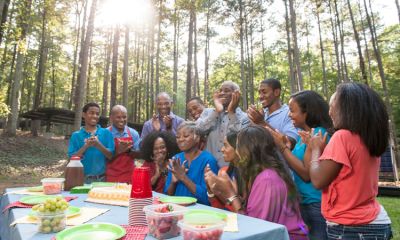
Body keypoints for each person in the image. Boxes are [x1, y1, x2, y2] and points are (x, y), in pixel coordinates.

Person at [307, 83, 392, 239]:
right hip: (377, 222)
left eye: (333, 106)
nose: (329, 111)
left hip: (351, 227)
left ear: (348, 109)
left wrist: (315, 149)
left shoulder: (342, 136)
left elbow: (318, 180)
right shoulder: (368, 138)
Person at [209, 125, 308, 239]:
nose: (237, 152)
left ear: (247, 150)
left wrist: (231, 195)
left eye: (238, 147)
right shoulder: (258, 174)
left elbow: (255, 230)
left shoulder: (267, 179)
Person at [270, 91, 332, 240]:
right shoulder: (303, 135)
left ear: (307, 112)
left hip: (315, 203)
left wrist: (283, 148)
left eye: (292, 110)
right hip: (304, 202)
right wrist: (286, 146)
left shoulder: (319, 134)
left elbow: (305, 174)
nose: (289, 115)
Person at [164, 121, 219, 205]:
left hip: (199, 213)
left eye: (185, 136)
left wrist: (183, 177)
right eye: (177, 137)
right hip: (176, 210)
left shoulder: (208, 161)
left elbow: (208, 199)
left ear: (197, 138)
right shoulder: (175, 159)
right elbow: (167, 195)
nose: (180, 139)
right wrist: (173, 182)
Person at [196, 81, 249, 167]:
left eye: (226, 90)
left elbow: (241, 138)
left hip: (232, 168)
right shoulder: (207, 112)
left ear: (236, 94)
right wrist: (216, 111)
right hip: (208, 166)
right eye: (220, 90)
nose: (222, 93)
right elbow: (198, 130)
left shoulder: (245, 117)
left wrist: (232, 113)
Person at [68, 102, 114, 183]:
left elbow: (110, 156)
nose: (95, 116)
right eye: (91, 113)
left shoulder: (106, 133)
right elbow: (71, 159)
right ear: (84, 114)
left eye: (97, 114)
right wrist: (86, 146)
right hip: (81, 179)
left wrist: (98, 144)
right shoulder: (76, 135)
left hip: (102, 179)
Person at [247, 78, 298, 148]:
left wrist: (262, 123)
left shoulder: (288, 113)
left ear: (276, 92)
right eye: (259, 93)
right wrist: (253, 122)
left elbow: (291, 142)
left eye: (264, 92)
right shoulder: (261, 114)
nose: (260, 96)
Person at [205, 131, 241, 210]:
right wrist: (210, 190)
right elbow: (222, 208)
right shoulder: (226, 171)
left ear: (237, 148)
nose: (222, 149)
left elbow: (242, 214)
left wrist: (232, 194)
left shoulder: (246, 176)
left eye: (225, 145)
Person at [106, 105, 141, 183]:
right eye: (118, 117)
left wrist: (129, 150)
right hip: (110, 176)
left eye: (124, 117)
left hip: (129, 176)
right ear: (111, 118)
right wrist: (118, 150)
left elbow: (140, 155)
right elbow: (102, 158)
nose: (122, 120)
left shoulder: (133, 133)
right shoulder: (105, 133)